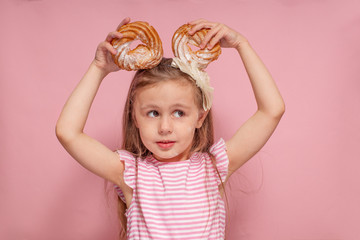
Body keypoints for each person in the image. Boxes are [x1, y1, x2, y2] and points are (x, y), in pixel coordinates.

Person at [56, 17, 285, 240]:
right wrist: (99, 68)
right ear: (134, 117)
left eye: (179, 113)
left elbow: (272, 110)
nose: (165, 127)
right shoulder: (131, 173)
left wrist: (241, 45)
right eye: (153, 113)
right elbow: (68, 132)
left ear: (200, 117)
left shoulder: (213, 168)